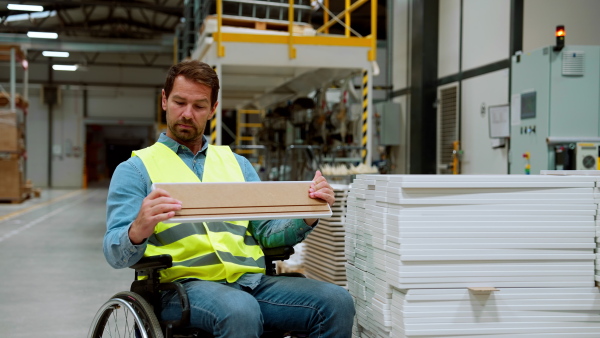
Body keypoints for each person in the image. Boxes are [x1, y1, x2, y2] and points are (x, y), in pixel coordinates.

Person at [103, 60, 355, 337]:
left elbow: (267, 233)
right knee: (238, 309)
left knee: (336, 302)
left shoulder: (238, 165)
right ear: (164, 100)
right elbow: (114, 253)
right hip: (180, 290)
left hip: (251, 283)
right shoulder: (136, 170)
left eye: (199, 106)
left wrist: (308, 213)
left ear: (213, 109)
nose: (187, 113)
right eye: (179, 102)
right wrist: (137, 230)